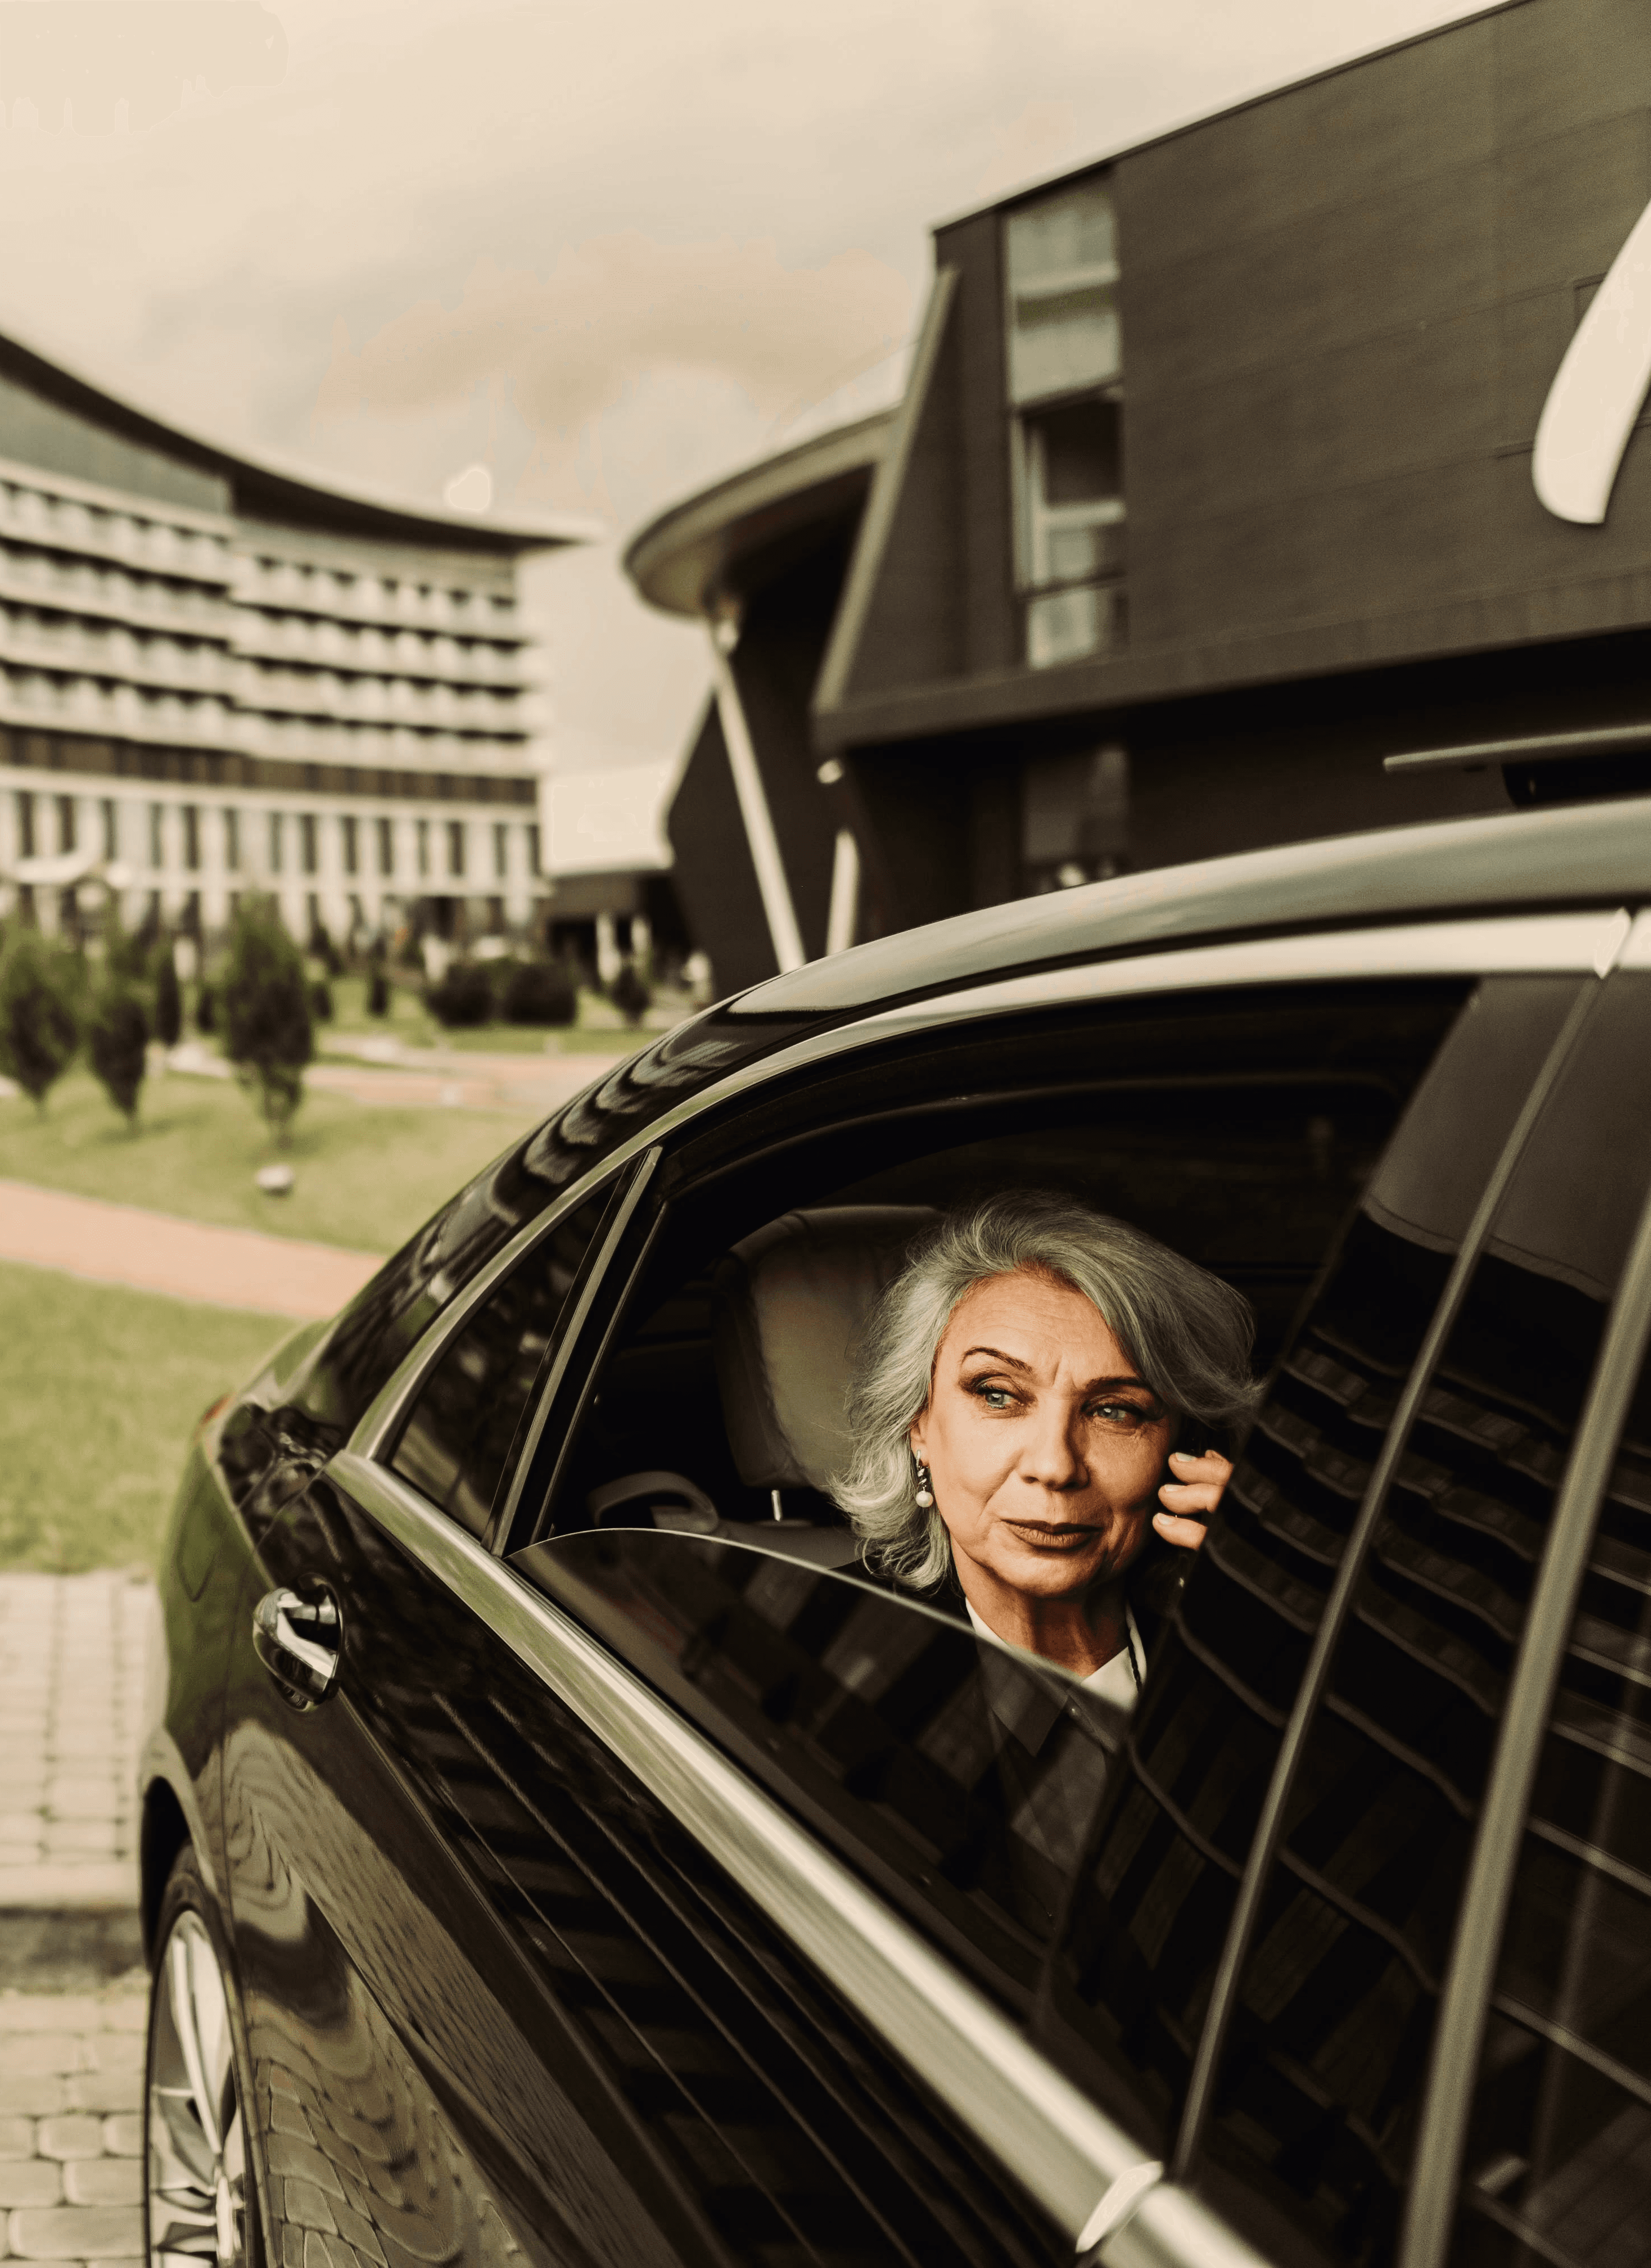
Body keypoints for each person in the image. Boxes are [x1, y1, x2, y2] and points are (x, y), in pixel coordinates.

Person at [833, 1192, 1262, 1703]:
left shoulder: (1253, 1648)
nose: (1055, 1466)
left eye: (1115, 1411)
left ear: (1185, 1446)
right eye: (998, 1395)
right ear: (918, 1424)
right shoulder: (827, 1652)